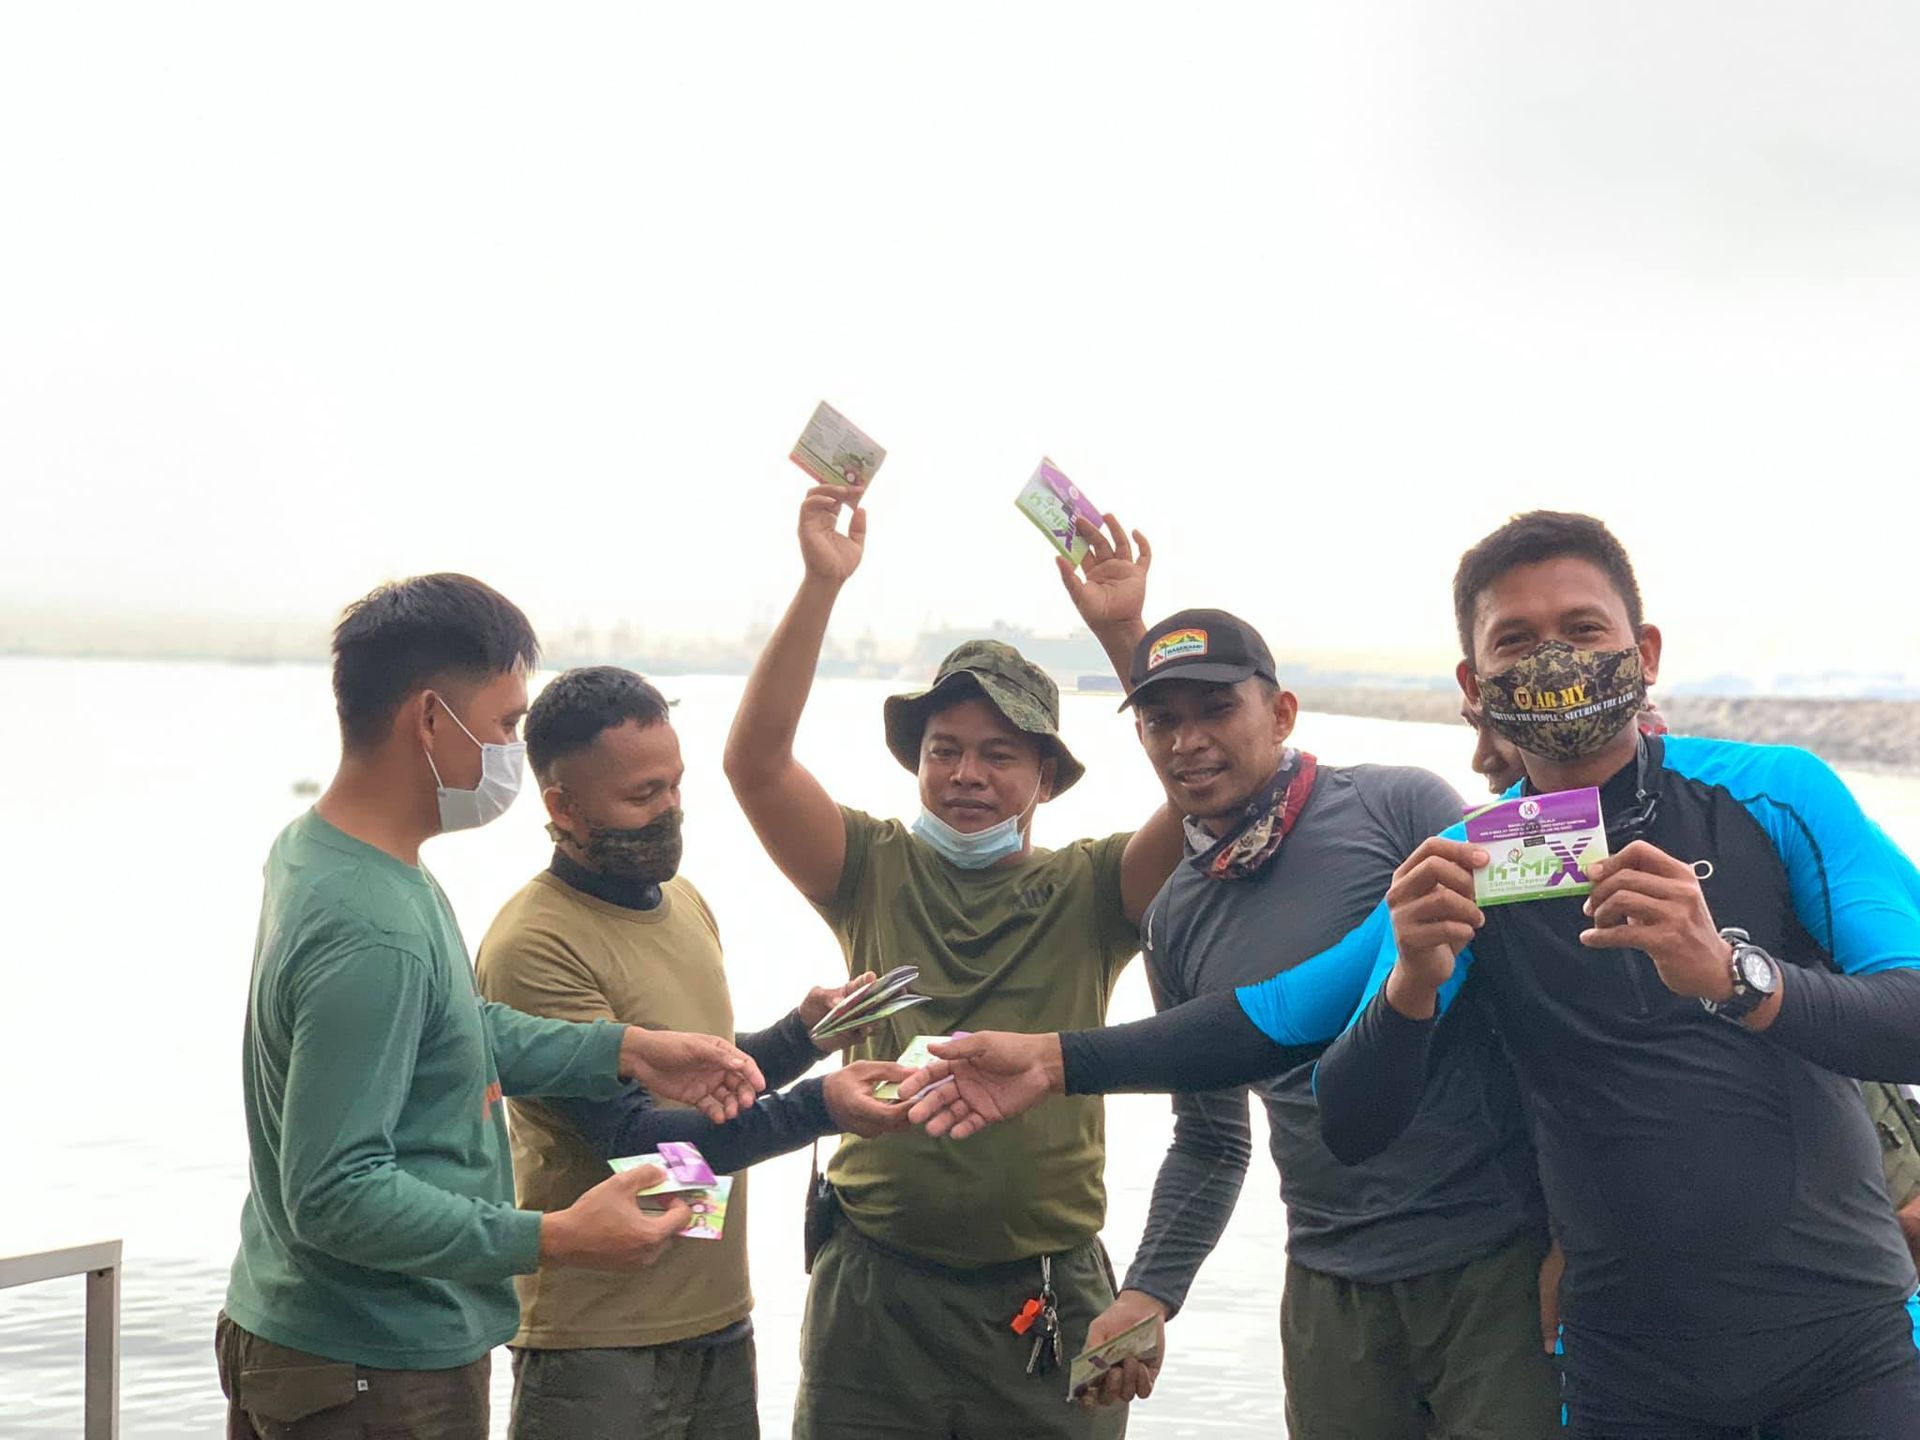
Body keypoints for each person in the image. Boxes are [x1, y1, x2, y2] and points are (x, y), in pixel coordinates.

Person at [905, 513, 1920, 1436]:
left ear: (1643, 653)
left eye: (1581, 626)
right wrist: (1057, 1057)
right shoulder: (1481, 854)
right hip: (1627, 1369)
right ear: (1472, 687)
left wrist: (1736, 975)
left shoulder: (1775, 795)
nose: (1553, 658)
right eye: (1515, 642)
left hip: (1843, 1345)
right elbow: (1289, 1040)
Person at [216, 575, 764, 1440]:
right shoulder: (373, 928)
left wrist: (625, 1049)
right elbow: (333, 1193)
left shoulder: (337, 855)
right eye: (507, 724)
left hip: (332, 1336)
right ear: (431, 722)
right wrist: (551, 1236)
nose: (514, 747)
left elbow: (444, 1031)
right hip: (371, 1367)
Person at [1056, 527, 1556, 1437]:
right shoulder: (1173, 915)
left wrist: (1570, 1241)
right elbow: (1211, 1140)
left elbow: (1536, 1028)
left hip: (1491, 1263)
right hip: (1329, 1288)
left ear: (1282, 713)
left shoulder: (1398, 805)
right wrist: (1149, 1291)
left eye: (1215, 710)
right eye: (1161, 721)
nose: (1188, 741)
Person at [721, 483, 1185, 1438]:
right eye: (944, 750)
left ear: (1047, 775)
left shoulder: (1095, 891)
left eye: (999, 755)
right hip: (873, 1290)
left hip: (1052, 1295)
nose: (967, 775)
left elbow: (1199, 793)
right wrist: (820, 584)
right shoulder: (868, 868)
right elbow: (755, 765)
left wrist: (1128, 628)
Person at [475, 666, 917, 1440]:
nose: (671, 810)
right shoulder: (534, 944)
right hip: (598, 1341)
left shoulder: (684, 903)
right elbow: (636, 1141)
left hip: (717, 1321)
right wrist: (820, 1107)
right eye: (642, 796)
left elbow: (708, 1085)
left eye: (675, 786)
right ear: (562, 807)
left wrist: (799, 1038)